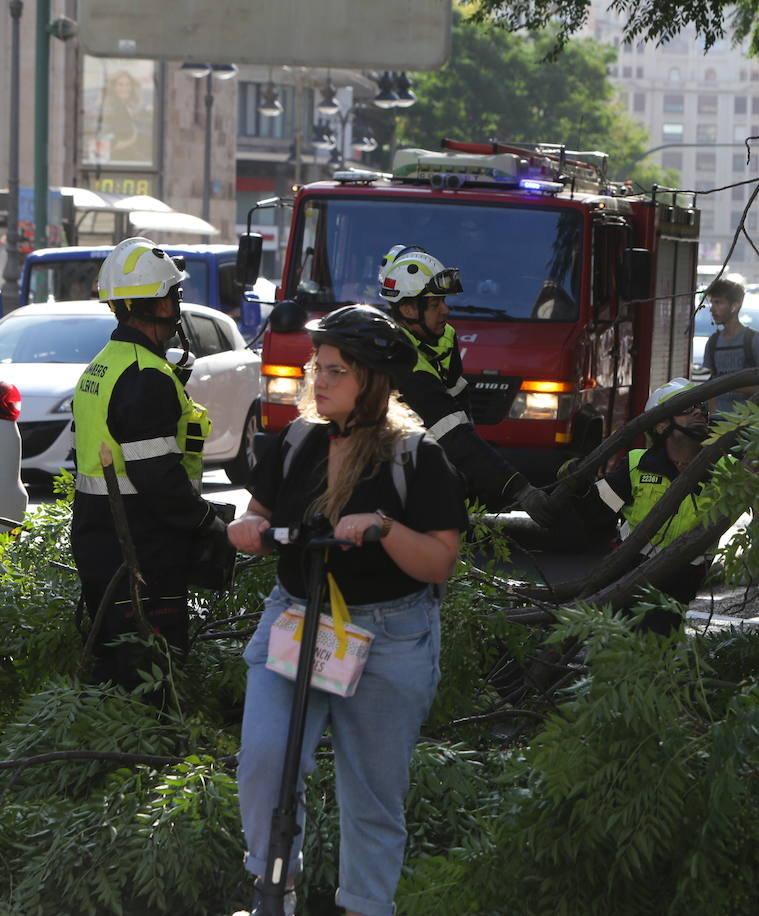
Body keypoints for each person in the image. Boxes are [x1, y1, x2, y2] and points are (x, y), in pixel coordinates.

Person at [229, 305, 465, 916]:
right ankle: (272, 891)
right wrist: (249, 528)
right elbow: (256, 512)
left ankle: (364, 905)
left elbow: (440, 562)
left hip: (390, 634)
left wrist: (384, 528)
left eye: (335, 370)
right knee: (265, 761)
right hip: (298, 617)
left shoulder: (416, 455)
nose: (319, 379)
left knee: (371, 794)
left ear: (372, 380)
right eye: (318, 366)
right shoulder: (299, 439)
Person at [71, 237, 227, 692]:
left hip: (102, 540)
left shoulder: (105, 364)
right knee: (151, 677)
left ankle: (114, 749)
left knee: (114, 667)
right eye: (173, 294)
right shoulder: (144, 375)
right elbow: (157, 477)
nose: (178, 303)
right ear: (157, 303)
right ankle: (151, 758)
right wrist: (206, 522)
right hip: (143, 547)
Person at [377, 244, 559, 527]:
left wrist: (476, 476)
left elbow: (461, 422)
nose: (446, 311)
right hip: (389, 485)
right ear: (409, 308)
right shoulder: (402, 360)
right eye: (436, 304)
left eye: (444, 301)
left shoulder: (442, 339)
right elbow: (451, 433)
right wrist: (519, 488)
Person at [578, 377, 716, 634]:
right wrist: (578, 485)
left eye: (702, 407)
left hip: (680, 583)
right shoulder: (635, 465)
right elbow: (593, 514)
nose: (699, 411)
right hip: (627, 576)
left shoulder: (724, 470)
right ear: (661, 424)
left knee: (654, 648)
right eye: (687, 407)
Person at [701, 276, 759, 415]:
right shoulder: (713, 342)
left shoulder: (754, 340)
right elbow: (711, 386)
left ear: (735, 306)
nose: (712, 309)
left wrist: (729, 386)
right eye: (712, 303)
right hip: (719, 424)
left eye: (718, 303)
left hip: (749, 424)